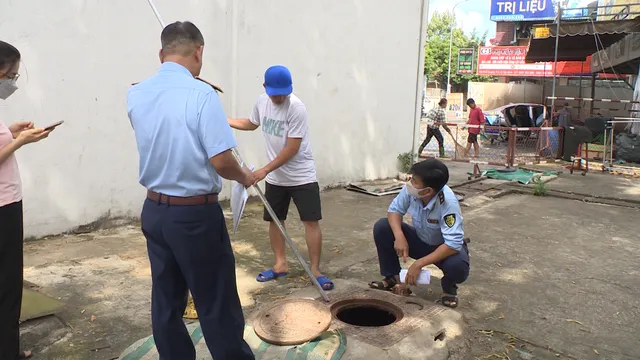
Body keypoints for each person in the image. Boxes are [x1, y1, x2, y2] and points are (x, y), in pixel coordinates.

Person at [127, 22, 255, 360]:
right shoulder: (201, 94)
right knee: (216, 299)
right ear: (199, 51)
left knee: (166, 298)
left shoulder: (136, 93)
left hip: (154, 211)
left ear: (161, 53)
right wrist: (244, 177)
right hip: (194, 215)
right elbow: (222, 160)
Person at [228, 65, 334, 291]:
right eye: (274, 93)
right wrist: (225, 120)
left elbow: (292, 148)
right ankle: (280, 264)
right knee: (275, 221)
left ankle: (315, 269)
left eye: (282, 93)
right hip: (276, 178)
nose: (278, 97)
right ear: (265, 87)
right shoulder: (261, 102)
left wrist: (264, 170)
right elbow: (251, 123)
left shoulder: (296, 108)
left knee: (310, 221)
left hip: (301, 175)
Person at [0, 40, 53, 360]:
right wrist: (18, 142)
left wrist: (10, 131)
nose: (13, 83)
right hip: (3, 206)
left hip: (7, 201)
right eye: (12, 76)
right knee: (7, 283)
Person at [369, 159, 470, 308]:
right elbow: (394, 210)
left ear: (428, 191)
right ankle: (393, 278)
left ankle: (449, 289)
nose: (410, 183)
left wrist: (418, 264)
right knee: (383, 227)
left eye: (414, 180)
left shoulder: (448, 203)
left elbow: (453, 244)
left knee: (458, 266)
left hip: (442, 248)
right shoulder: (412, 190)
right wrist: (399, 236)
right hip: (420, 241)